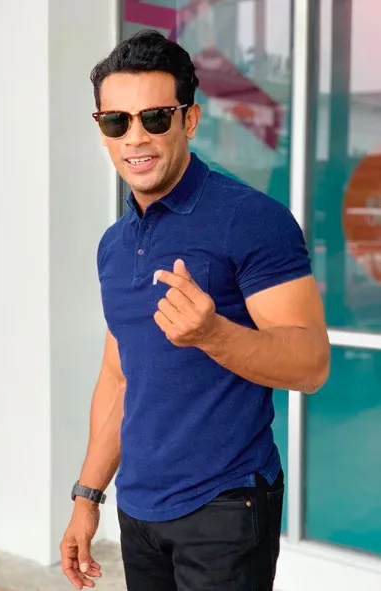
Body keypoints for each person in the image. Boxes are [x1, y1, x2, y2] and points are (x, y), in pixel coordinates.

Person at [60, 29, 330, 591]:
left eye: (156, 117)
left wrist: (212, 333)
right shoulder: (114, 245)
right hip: (139, 508)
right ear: (102, 130)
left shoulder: (251, 219)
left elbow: (311, 365)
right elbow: (119, 376)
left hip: (225, 506)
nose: (136, 137)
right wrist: (87, 497)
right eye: (117, 122)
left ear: (190, 120)